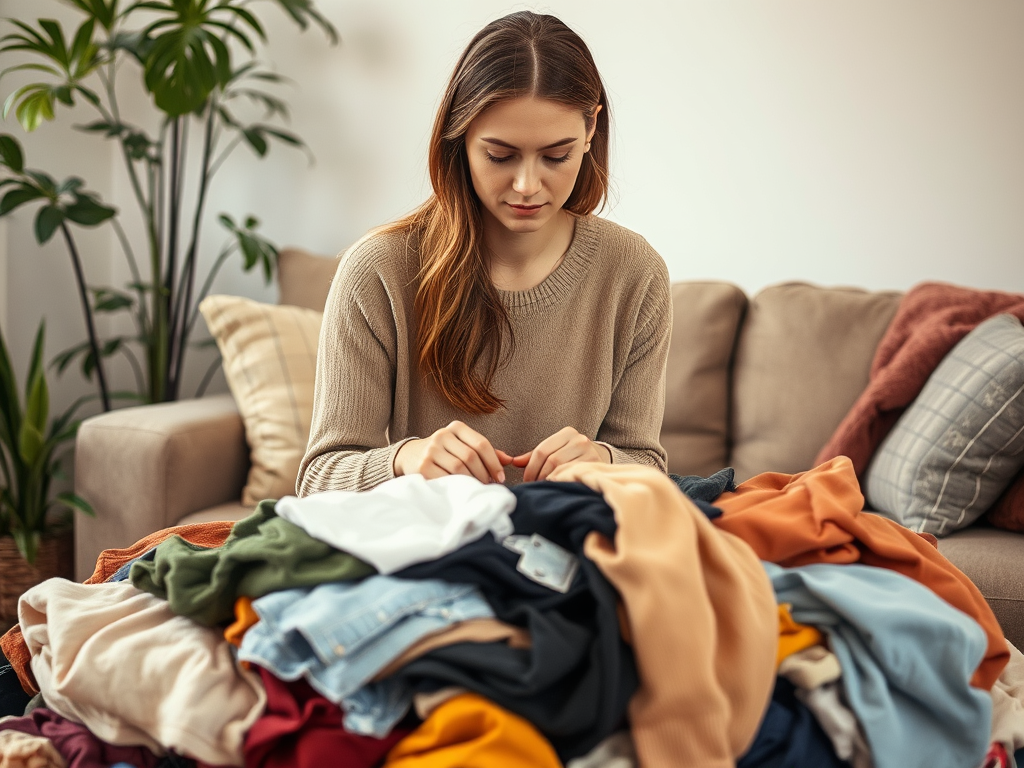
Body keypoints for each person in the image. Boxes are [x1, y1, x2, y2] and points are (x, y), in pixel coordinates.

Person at [297, 10, 671, 494]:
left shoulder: (635, 274)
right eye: (500, 156)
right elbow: (319, 479)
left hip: (568, 551)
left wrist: (605, 460)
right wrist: (405, 459)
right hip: (428, 553)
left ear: (591, 129)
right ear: (461, 137)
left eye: (557, 156)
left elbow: (649, 467)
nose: (527, 185)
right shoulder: (379, 272)